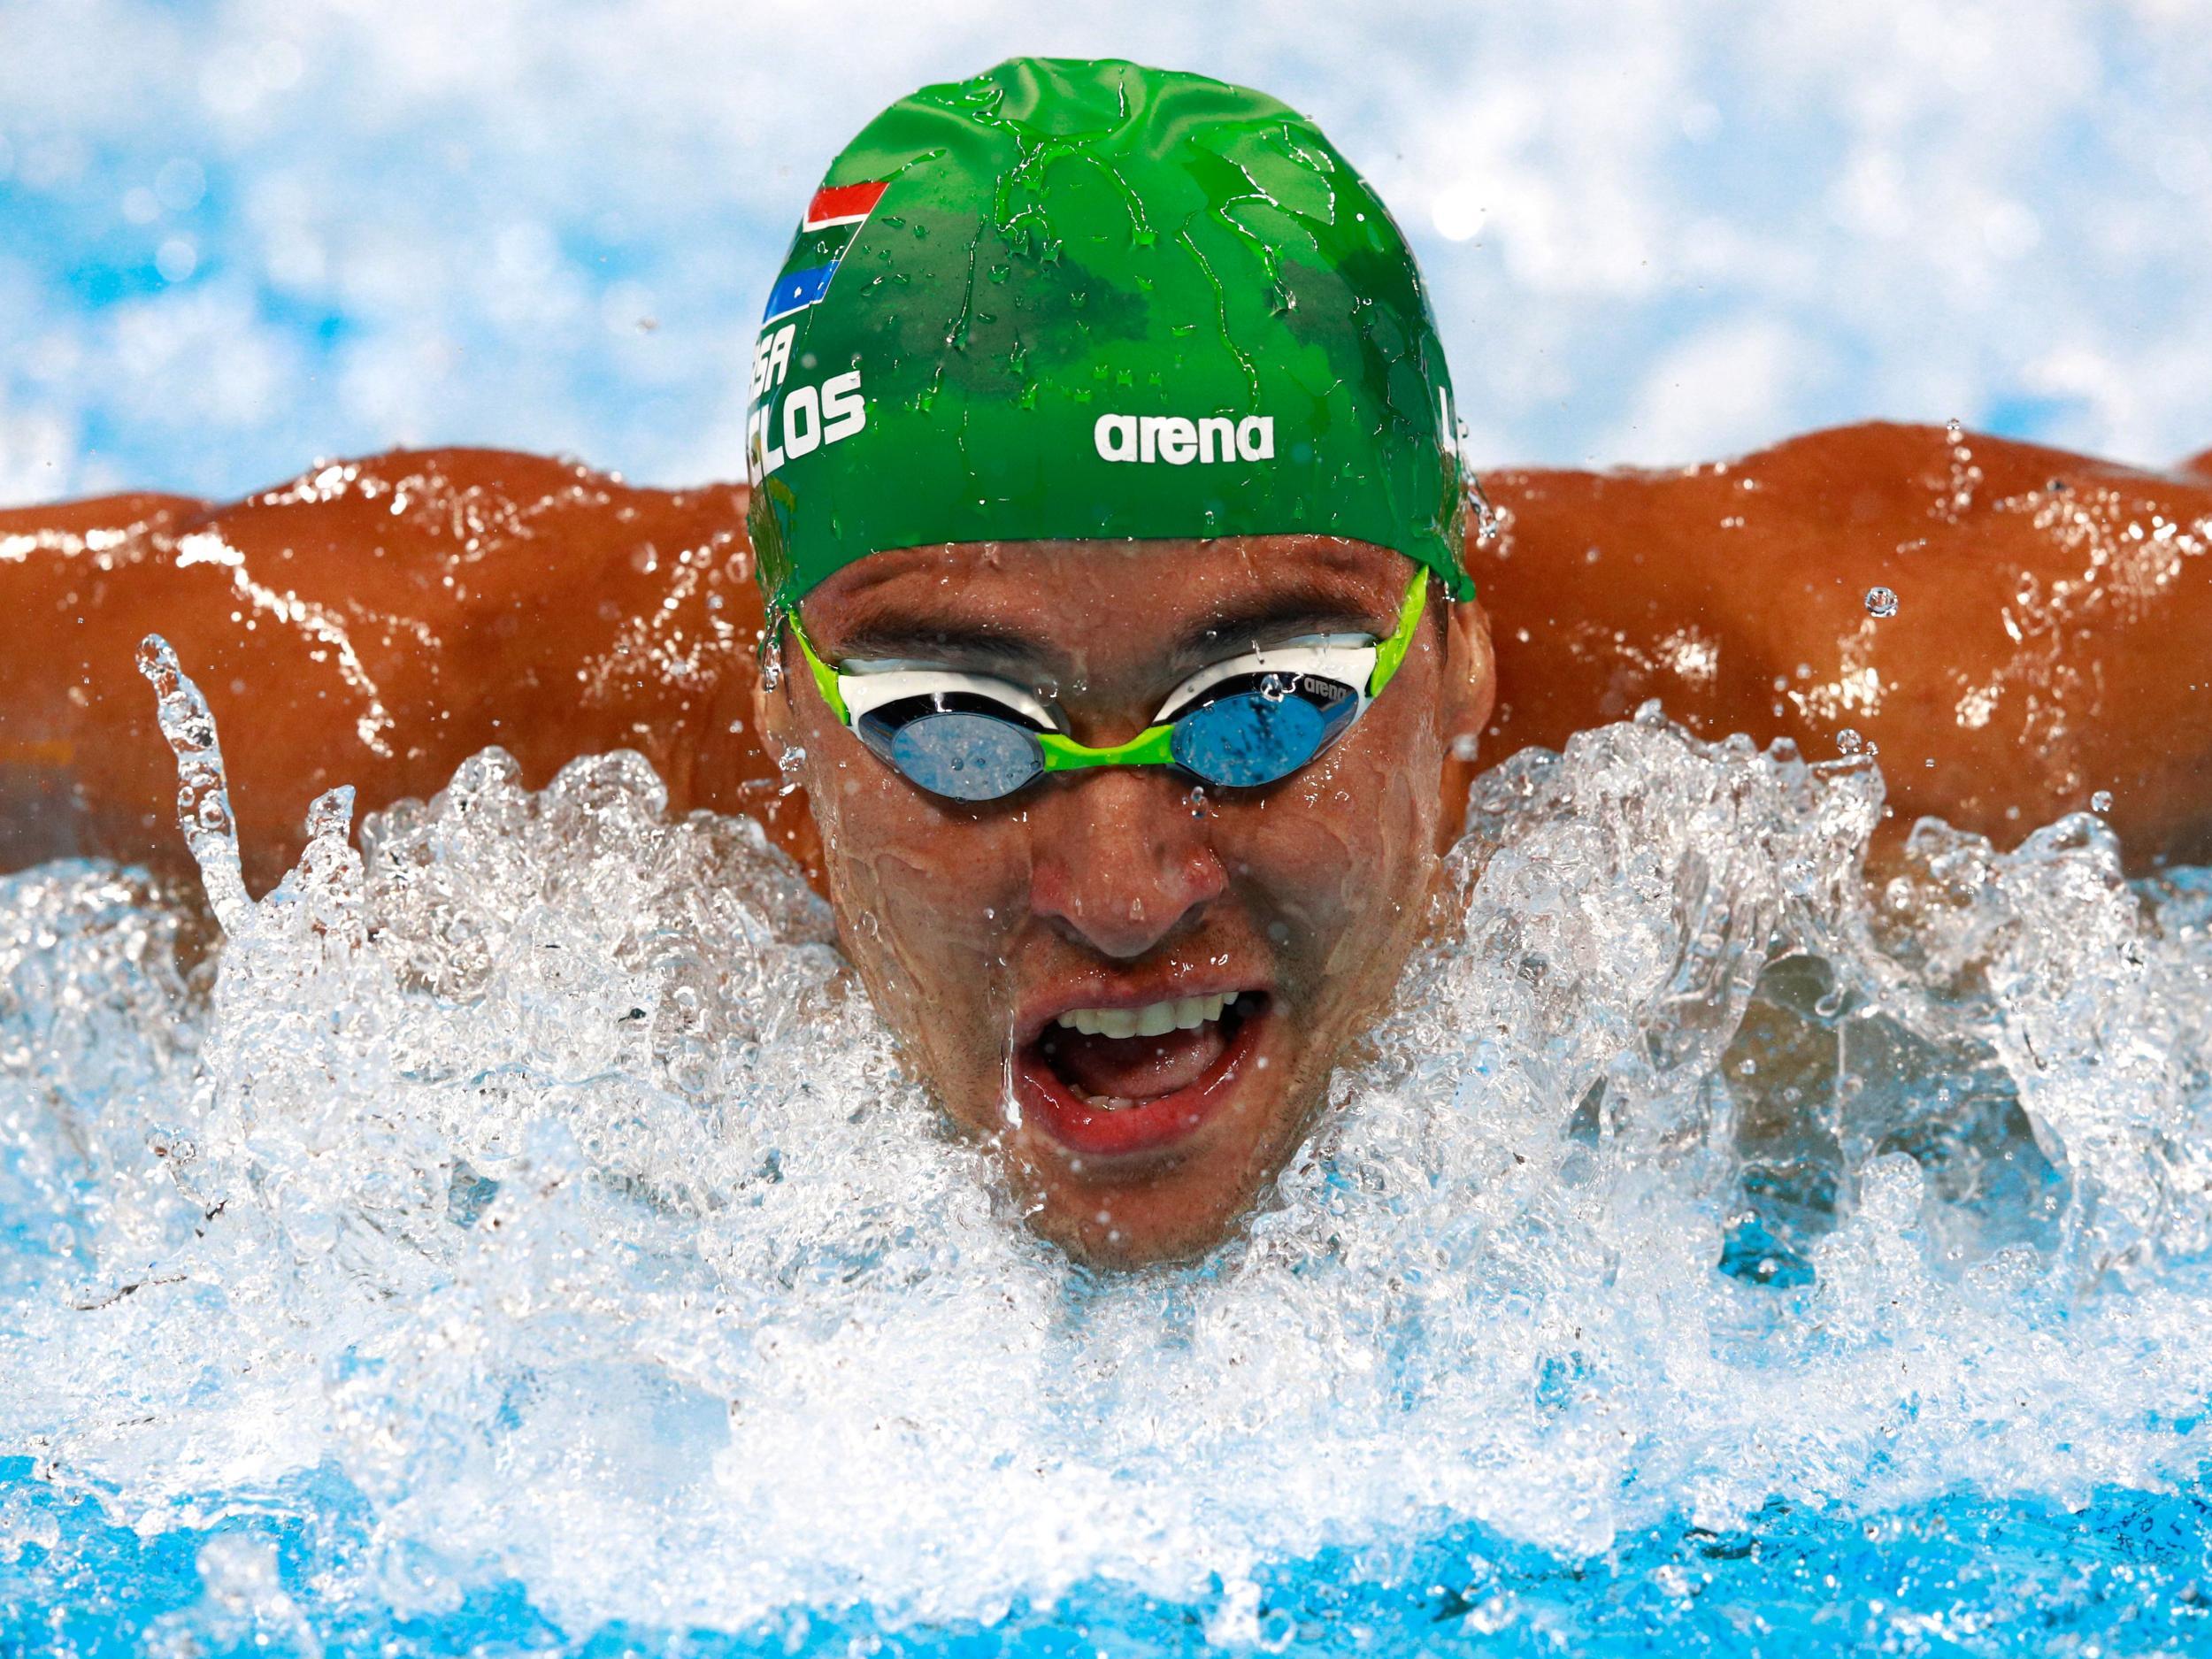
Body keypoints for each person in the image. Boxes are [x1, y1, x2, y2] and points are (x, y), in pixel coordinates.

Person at [2, 58, 2208, 1264]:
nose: (1127, 881)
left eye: (1264, 704)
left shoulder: (1869, 720)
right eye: (951, 722)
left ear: (1465, 676)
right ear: (772, 708)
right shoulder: (398, 734)